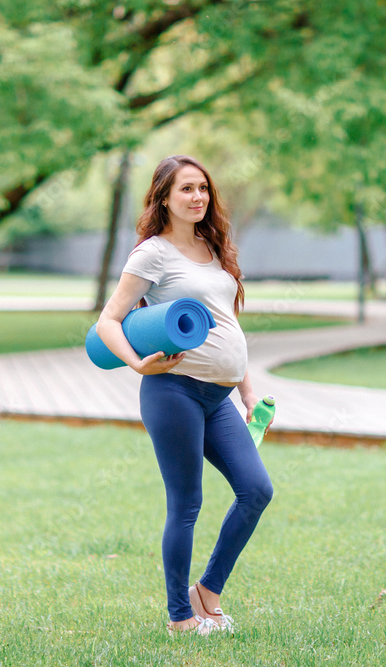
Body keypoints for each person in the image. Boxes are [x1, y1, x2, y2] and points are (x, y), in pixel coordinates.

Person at [95, 155, 274, 636]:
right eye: (186, 190)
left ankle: (207, 594)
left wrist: (249, 394)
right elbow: (108, 320)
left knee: (257, 491)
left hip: (219, 398)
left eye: (203, 189)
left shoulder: (212, 247)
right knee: (186, 504)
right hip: (173, 391)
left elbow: (228, 324)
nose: (198, 197)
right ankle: (179, 617)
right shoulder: (152, 254)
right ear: (164, 198)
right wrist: (137, 363)